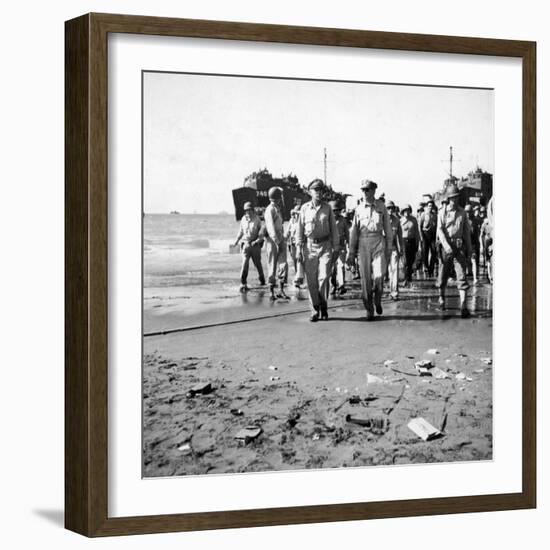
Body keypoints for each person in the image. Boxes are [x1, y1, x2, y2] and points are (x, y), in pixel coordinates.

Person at [346, 179, 392, 320]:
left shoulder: (381, 206)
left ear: (373, 191)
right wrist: (351, 252)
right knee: (365, 279)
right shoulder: (359, 209)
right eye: (363, 190)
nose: (365, 192)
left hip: (378, 241)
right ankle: (369, 308)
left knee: (379, 276)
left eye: (367, 190)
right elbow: (354, 231)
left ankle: (377, 299)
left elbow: (388, 230)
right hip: (363, 243)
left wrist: (389, 248)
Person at [296, 179, 339, 322]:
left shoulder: (327, 208)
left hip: (325, 246)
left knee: (324, 277)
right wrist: (298, 248)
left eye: (320, 190)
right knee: (311, 281)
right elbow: (299, 230)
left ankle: (323, 304)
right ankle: (315, 309)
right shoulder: (304, 209)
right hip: (309, 247)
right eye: (316, 190)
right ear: (310, 192)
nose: (319, 192)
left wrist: (336, 247)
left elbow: (334, 229)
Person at [436, 184, 472, 317]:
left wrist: (469, 250)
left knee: (461, 276)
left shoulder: (463, 213)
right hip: (446, 248)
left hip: (459, 247)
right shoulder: (442, 213)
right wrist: (446, 246)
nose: (455, 200)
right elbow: (439, 231)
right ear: (448, 199)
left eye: (457, 198)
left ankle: (463, 306)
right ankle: (441, 298)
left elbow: (466, 233)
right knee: (442, 276)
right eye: (452, 198)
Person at [233, 201, 266, 292]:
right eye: (246, 210)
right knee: (244, 264)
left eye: (249, 210)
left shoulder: (257, 220)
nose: (248, 212)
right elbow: (241, 232)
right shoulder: (243, 219)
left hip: (255, 246)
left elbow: (261, 234)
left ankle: (262, 281)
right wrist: (236, 241)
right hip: (245, 245)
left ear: (252, 210)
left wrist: (257, 241)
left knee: (258, 265)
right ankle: (243, 283)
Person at [264, 186, 289, 300]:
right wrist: (277, 241)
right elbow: (270, 227)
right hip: (273, 240)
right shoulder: (270, 209)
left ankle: (281, 289)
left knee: (283, 264)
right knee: (272, 265)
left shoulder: (277, 208)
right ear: (277, 197)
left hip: (280, 238)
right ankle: (271, 291)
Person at [329, 200, 350, 296]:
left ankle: (341, 285)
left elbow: (347, 233)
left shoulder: (343, 220)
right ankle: (333, 285)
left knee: (341, 266)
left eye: (338, 210)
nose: (336, 212)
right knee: (332, 269)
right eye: (334, 210)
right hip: (331, 246)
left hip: (341, 246)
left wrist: (349, 243)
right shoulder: (328, 221)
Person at [386, 201, 404, 300]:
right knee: (385, 272)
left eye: (392, 208)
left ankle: (394, 292)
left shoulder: (397, 221)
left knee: (394, 270)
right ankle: (384, 291)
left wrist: (401, 249)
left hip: (393, 249)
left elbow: (400, 237)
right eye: (388, 208)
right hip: (382, 250)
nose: (390, 210)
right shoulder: (381, 220)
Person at [400, 204, 420, 286]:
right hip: (404, 241)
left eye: (408, 210)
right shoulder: (401, 221)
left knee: (411, 260)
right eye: (405, 211)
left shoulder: (414, 220)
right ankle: (406, 278)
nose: (407, 212)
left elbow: (417, 233)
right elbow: (399, 233)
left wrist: (417, 243)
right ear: (403, 212)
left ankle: (409, 277)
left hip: (412, 241)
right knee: (405, 261)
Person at [285, 206, 305, 288]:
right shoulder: (291, 221)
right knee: (295, 261)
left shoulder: (302, 221)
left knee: (299, 261)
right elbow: (287, 232)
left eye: (296, 213)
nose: (294, 215)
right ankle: (299, 277)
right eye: (293, 213)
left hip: (300, 245)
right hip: (292, 244)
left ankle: (299, 279)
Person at [418, 199, 438, 277]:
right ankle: (425, 267)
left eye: (432, 206)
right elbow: (420, 226)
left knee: (433, 252)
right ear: (427, 206)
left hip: (432, 234)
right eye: (429, 206)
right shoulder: (423, 214)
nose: (430, 207)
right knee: (425, 252)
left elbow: (436, 226)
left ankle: (431, 268)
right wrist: (421, 236)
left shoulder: (435, 215)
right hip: (425, 234)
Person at [464, 204, 480, 284]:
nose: (468, 213)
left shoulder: (475, 221)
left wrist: (477, 244)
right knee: (465, 260)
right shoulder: (463, 220)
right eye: (466, 211)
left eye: (469, 211)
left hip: (473, 243)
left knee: (473, 260)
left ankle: (475, 278)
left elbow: (477, 233)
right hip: (465, 242)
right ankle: (464, 276)